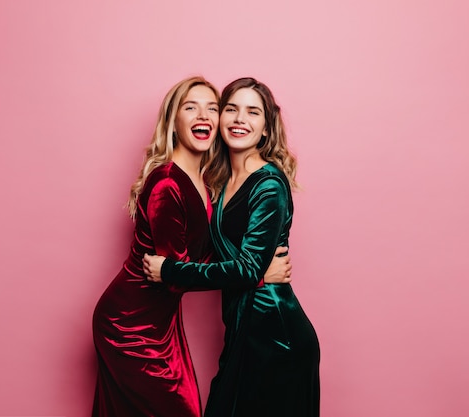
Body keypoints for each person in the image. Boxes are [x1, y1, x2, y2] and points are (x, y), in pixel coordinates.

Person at [92, 76, 292, 417]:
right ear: (174, 121)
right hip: (131, 324)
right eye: (191, 107)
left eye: (212, 108)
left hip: (162, 322)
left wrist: (250, 267)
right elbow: (173, 275)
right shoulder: (168, 184)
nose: (204, 115)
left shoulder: (206, 181)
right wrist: (257, 275)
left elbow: (203, 254)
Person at [143, 77, 320, 417]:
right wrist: (252, 271)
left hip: (276, 336)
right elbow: (234, 261)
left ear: (266, 129)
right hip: (242, 330)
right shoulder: (221, 181)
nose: (240, 119)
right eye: (232, 109)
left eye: (253, 112)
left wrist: (168, 270)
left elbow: (247, 268)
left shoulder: (268, 185)